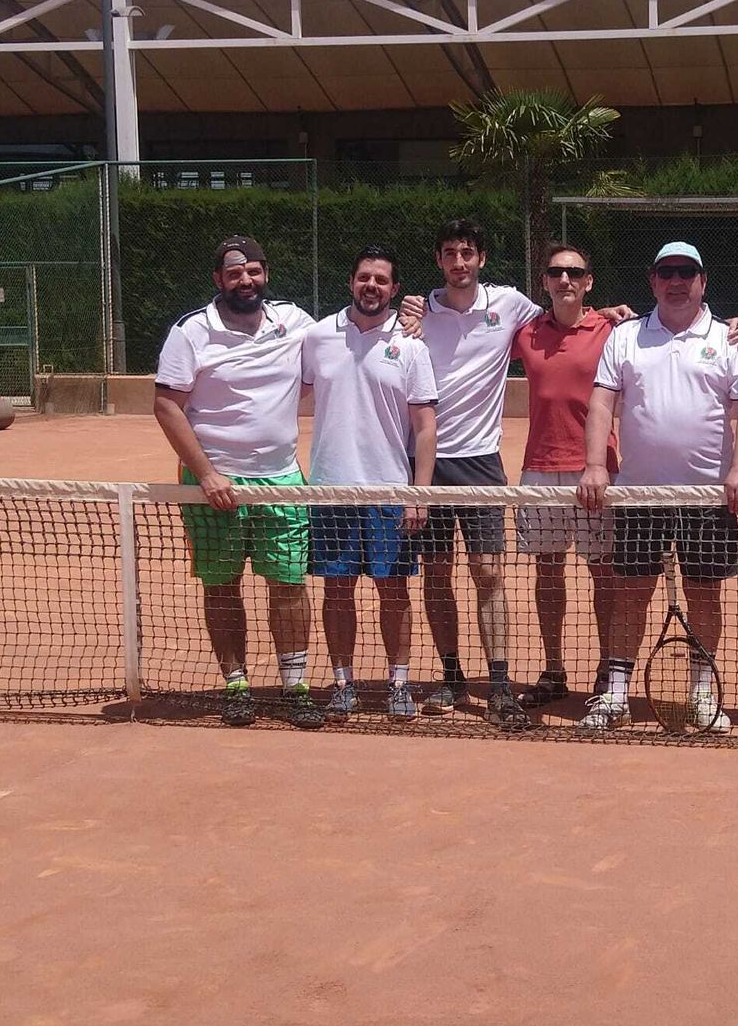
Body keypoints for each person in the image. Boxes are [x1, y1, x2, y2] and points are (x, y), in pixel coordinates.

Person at [577, 241, 738, 734]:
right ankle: (615, 694)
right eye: (666, 273)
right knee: (630, 593)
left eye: (686, 273)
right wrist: (595, 464)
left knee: (705, 596)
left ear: (703, 281)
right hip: (640, 495)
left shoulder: (731, 339)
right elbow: (601, 403)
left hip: (708, 498)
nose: (676, 282)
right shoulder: (625, 337)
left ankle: (703, 693)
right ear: (653, 280)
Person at [153, 235, 323, 729]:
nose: (244, 280)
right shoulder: (190, 332)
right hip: (212, 485)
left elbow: (345, 342)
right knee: (222, 586)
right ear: (218, 280)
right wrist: (207, 474)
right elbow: (167, 405)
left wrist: (410, 324)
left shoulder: (295, 322)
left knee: (289, 585)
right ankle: (237, 685)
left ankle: (296, 688)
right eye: (233, 273)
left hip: (283, 480)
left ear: (265, 273)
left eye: (252, 271)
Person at [398, 218, 539, 730]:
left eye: (468, 253)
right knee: (437, 573)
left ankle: (499, 685)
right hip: (426, 464)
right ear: (439, 260)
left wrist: (608, 315)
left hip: (482, 462)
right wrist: (403, 314)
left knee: (489, 573)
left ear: (482, 259)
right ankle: (452, 675)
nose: (460, 262)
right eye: (450, 253)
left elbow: (562, 319)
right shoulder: (414, 314)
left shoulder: (509, 305)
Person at [302, 245, 437, 722]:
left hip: (390, 493)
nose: (372, 286)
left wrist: (418, 494)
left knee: (393, 592)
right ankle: (343, 683)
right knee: (336, 592)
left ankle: (399, 683)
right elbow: (289, 396)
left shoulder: (412, 346)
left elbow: (424, 426)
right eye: (364, 277)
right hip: (330, 491)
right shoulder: (317, 337)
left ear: (394, 289)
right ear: (351, 282)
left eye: (382, 279)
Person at [510, 243, 619, 709]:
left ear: (588, 281)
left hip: (598, 468)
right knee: (547, 572)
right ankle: (553, 668)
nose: (565, 280)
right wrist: (416, 310)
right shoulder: (525, 332)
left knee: (603, 573)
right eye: (556, 272)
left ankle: (609, 667)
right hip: (540, 468)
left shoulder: (613, 328)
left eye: (574, 272)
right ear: (546, 282)